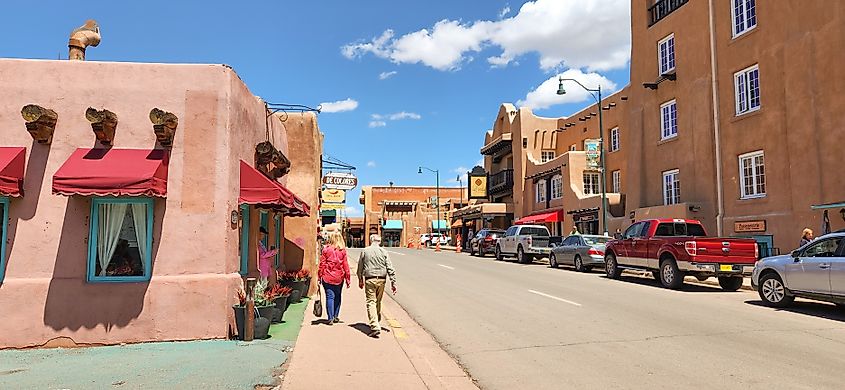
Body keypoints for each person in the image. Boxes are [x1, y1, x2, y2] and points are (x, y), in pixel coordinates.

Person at [357, 234, 397, 338]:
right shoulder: (384, 252)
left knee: (371, 302)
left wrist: (360, 279)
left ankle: (374, 326)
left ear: (371, 241)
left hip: (370, 279)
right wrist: (393, 282)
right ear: (379, 242)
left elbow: (360, 267)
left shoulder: (365, 251)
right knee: (378, 301)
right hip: (382, 280)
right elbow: (390, 267)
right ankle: (376, 321)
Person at [318, 231, 351, 325]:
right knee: (338, 296)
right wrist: (348, 278)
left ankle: (330, 318)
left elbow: (322, 264)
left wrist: (319, 276)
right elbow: (346, 266)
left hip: (327, 276)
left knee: (330, 297)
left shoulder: (326, 250)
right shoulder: (342, 251)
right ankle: (336, 316)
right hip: (339, 277)